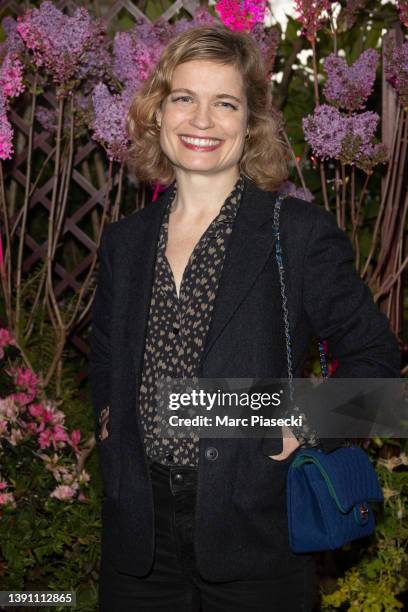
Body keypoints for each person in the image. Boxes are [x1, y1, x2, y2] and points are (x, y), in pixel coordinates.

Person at [89, 24, 400, 612]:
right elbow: (104, 356)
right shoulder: (124, 243)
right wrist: (109, 423)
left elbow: (377, 365)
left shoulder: (298, 234)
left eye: (224, 103)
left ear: (250, 122)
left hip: (255, 536)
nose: (202, 120)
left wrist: (302, 421)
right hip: (137, 541)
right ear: (159, 114)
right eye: (184, 98)